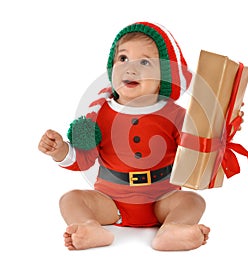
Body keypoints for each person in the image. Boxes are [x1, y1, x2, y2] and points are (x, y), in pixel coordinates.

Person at [38, 21, 210, 251]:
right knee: (70, 199)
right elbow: (84, 160)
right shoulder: (97, 114)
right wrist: (60, 151)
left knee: (193, 201)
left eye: (145, 62)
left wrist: (218, 133)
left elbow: (194, 153)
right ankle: (89, 227)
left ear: (165, 76)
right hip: (111, 201)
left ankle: (173, 228)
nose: (130, 68)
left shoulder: (175, 114)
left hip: (162, 200)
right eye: (123, 59)